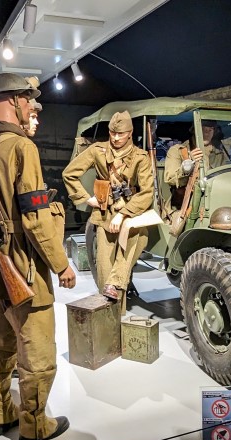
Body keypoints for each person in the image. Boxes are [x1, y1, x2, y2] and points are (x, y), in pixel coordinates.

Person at [0, 72, 76, 440]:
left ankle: (1, 414)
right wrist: (61, 263)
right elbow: (35, 217)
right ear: (14, 101)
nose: (33, 107)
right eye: (29, 100)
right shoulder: (21, 148)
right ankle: (34, 424)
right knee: (37, 349)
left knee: (1, 345)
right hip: (23, 266)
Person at [62, 111, 153, 303]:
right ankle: (111, 316)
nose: (116, 138)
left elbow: (146, 192)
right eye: (112, 133)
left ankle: (116, 289)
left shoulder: (140, 157)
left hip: (131, 212)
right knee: (105, 270)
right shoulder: (97, 150)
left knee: (129, 251)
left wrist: (123, 215)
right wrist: (87, 199)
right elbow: (69, 173)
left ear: (130, 133)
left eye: (121, 133)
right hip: (104, 214)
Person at [163, 119, 227, 211]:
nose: (207, 133)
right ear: (194, 130)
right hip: (184, 206)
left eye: (210, 129)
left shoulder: (219, 155)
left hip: (213, 203)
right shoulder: (178, 151)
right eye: (203, 129)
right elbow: (170, 179)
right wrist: (187, 166)